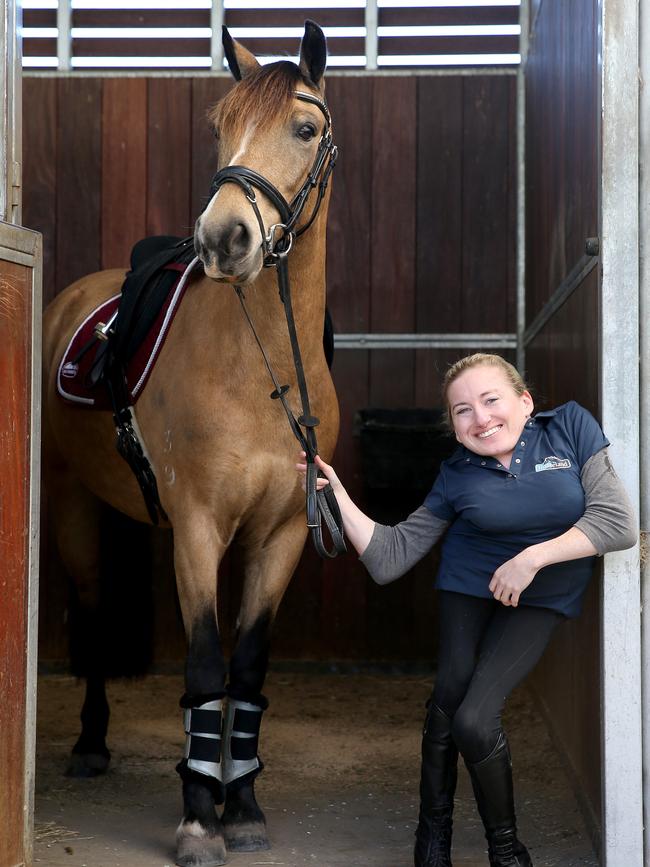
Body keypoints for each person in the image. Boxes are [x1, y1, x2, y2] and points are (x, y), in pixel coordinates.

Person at [296, 353, 637, 867]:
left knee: (475, 721)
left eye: (491, 400)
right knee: (449, 699)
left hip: (542, 592)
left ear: (525, 402)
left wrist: (533, 558)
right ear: (453, 429)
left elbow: (617, 524)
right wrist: (338, 493)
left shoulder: (569, 426)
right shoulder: (456, 474)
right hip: (470, 584)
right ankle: (433, 837)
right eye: (462, 411)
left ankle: (506, 850)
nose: (480, 419)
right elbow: (390, 558)